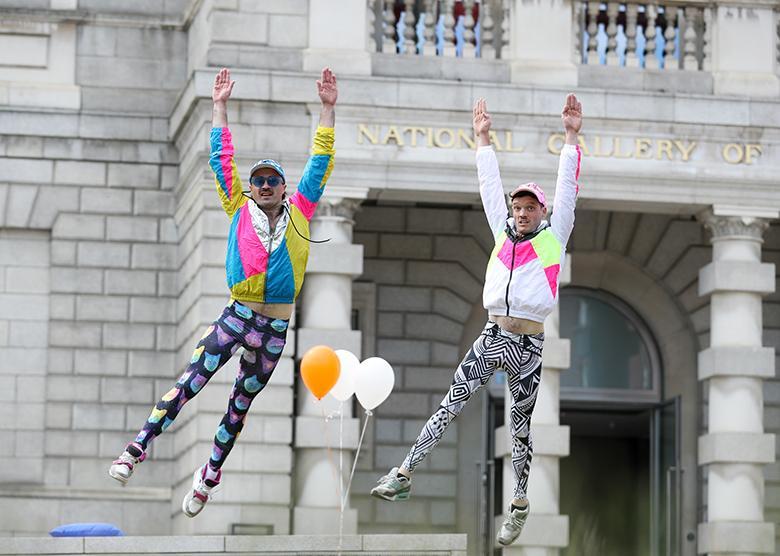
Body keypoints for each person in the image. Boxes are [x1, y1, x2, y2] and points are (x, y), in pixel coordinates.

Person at [109, 66, 338, 518]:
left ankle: (208, 478)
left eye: (273, 180)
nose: (266, 186)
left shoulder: (301, 210)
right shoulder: (238, 206)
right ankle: (136, 449)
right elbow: (221, 158)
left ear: (284, 187)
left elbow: (320, 160)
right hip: (238, 315)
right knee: (190, 381)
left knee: (239, 407)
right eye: (260, 181)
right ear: (251, 188)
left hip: (274, 326)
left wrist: (327, 110)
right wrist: (218, 108)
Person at [371, 94, 583, 546]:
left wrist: (570, 137)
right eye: (518, 207)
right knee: (452, 401)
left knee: (521, 429)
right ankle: (404, 472)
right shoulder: (501, 232)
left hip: (528, 345)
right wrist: (482, 138)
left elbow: (568, 189)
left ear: (542, 212)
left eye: (530, 208)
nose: (522, 213)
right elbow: (489, 187)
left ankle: (520, 504)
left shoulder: (554, 238)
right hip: (493, 335)